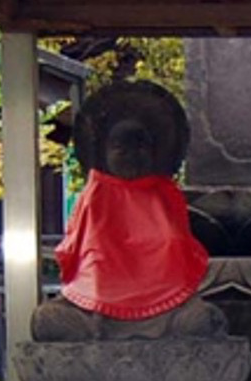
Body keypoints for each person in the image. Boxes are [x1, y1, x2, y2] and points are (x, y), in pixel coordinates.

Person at [32, 81, 225, 341]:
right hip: (97, 306)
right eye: (120, 149)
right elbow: (83, 248)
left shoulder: (163, 193)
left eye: (140, 148)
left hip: (165, 307)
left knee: (203, 320)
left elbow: (178, 245)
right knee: (47, 320)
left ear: (155, 152)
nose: (131, 156)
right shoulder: (97, 192)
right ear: (103, 151)